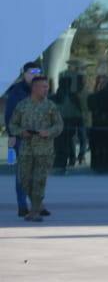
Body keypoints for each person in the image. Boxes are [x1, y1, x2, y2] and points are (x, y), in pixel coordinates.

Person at [8, 73, 62, 221]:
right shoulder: (22, 105)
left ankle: (35, 211)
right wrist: (21, 132)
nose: (46, 89)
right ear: (34, 88)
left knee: (39, 181)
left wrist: (48, 132)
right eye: (43, 87)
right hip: (26, 149)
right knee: (24, 180)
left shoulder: (50, 106)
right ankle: (37, 206)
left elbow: (59, 125)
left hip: (44, 150)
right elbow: (12, 125)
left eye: (47, 87)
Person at [5, 62, 43, 218]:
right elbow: (10, 115)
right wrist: (12, 135)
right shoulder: (17, 92)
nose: (35, 75)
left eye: (38, 72)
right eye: (32, 72)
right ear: (24, 73)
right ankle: (23, 206)